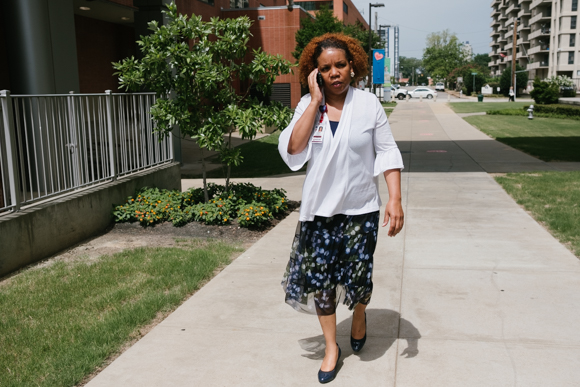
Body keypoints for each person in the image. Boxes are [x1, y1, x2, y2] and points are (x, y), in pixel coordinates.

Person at [278, 33, 404, 384]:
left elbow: (387, 152)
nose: (334, 73)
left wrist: (394, 198)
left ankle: (360, 313)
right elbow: (292, 151)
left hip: (360, 208)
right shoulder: (307, 104)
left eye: (340, 65)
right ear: (314, 73)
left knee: (359, 278)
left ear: (353, 66)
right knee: (321, 283)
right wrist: (314, 101)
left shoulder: (368, 105)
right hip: (319, 213)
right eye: (325, 68)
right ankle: (332, 347)